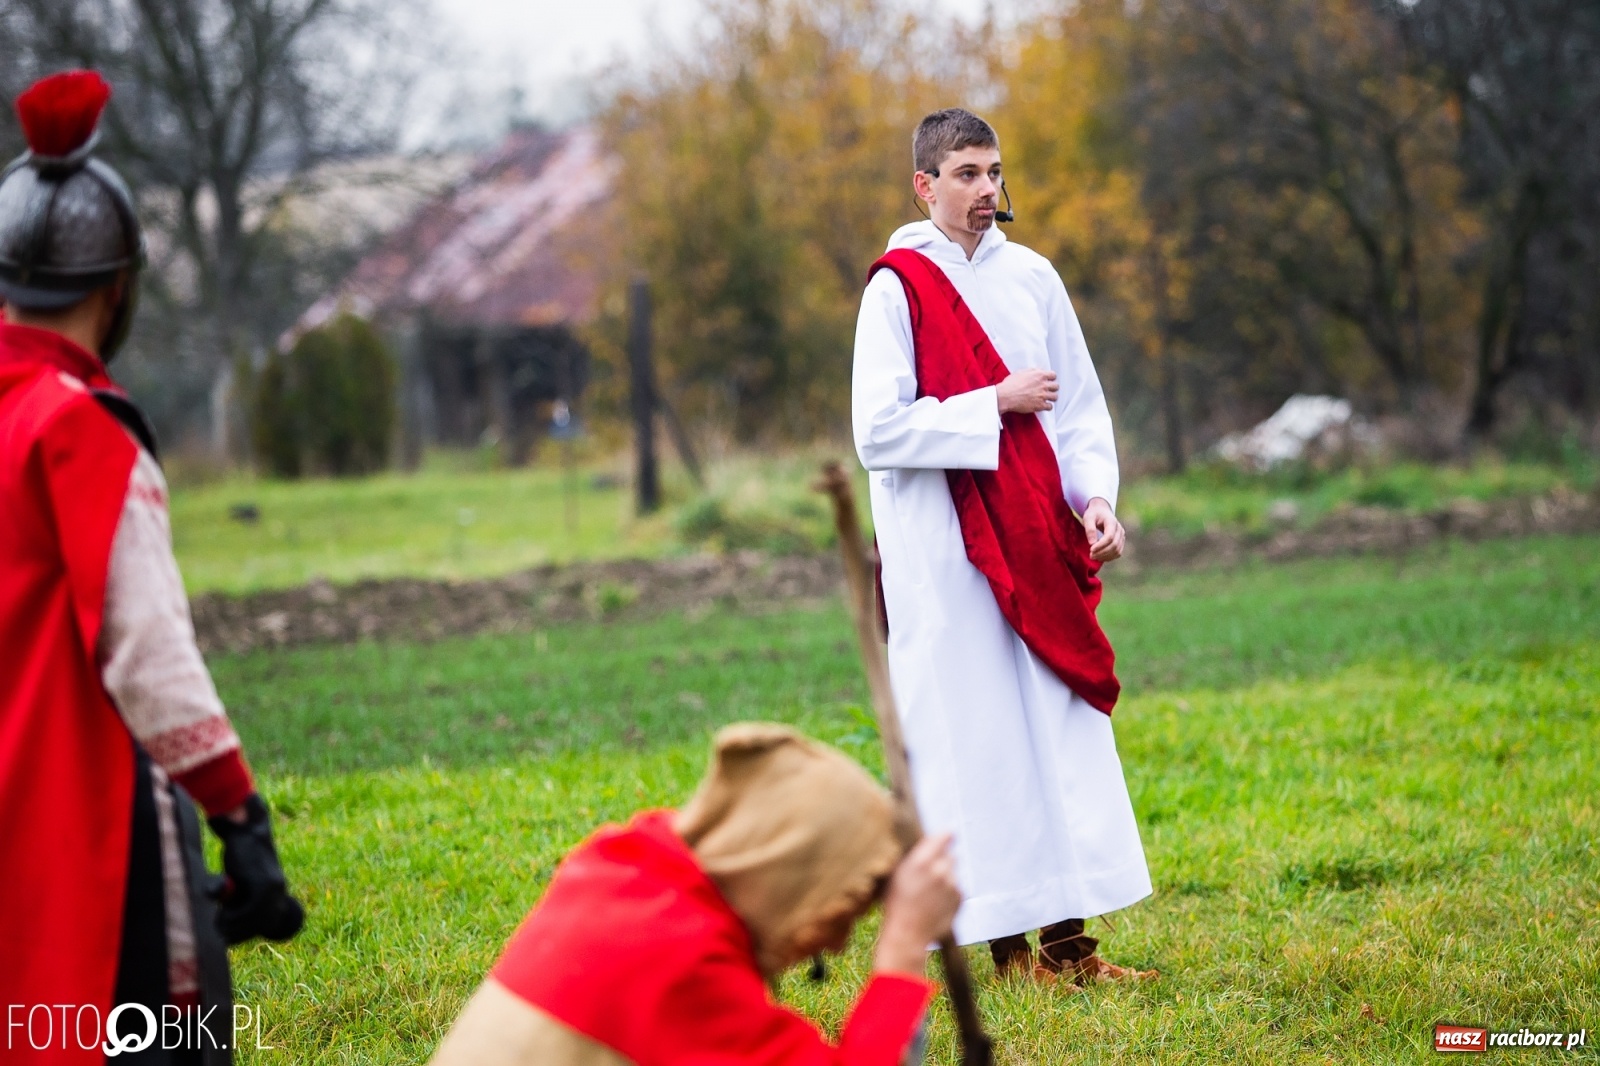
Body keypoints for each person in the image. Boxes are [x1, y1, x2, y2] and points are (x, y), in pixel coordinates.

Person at [0, 71, 303, 1064]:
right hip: (79, 832)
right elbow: (147, 653)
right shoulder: (79, 432)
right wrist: (239, 815)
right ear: (118, 284)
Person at [851, 107, 1155, 985]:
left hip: (1035, 541)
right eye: (967, 174)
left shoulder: (1033, 277)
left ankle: (1069, 945)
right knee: (977, 742)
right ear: (925, 184)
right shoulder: (895, 288)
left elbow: (1082, 406)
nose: (987, 191)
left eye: (994, 173)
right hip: (944, 557)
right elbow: (877, 431)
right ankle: (1011, 950)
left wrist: (1096, 498)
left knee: (1054, 733)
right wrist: (995, 401)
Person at [428, 723, 961, 1066]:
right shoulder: (678, 960)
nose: (841, 944)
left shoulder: (618, 872)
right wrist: (903, 948)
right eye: (840, 912)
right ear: (790, 875)